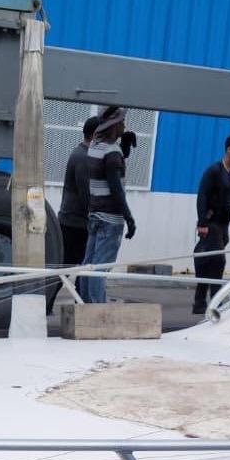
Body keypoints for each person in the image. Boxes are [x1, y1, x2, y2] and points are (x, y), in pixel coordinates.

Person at [79, 106, 135, 305]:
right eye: (121, 122)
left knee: (89, 264)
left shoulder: (95, 146)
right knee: (100, 268)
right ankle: (96, 309)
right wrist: (129, 218)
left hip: (95, 213)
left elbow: (107, 170)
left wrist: (124, 149)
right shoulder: (112, 152)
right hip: (110, 218)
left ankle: (85, 304)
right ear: (114, 126)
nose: (124, 125)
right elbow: (116, 188)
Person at [192, 133, 230, 314]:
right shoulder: (214, 171)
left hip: (224, 226)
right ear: (229, 149)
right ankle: (216, 303)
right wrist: (202, 222)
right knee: (217, 262)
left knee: (208, 263)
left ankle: (199, 303)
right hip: (211, 223)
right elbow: (202, 197)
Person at [52, 115, 100, 313]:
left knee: (80, 267)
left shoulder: (84, 154)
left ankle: (81, 306)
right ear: (95, 134)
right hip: (74, 223)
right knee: (64, 269)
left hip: (78, 222)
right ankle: (46, 304)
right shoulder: (82, 157)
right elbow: (86, 193)